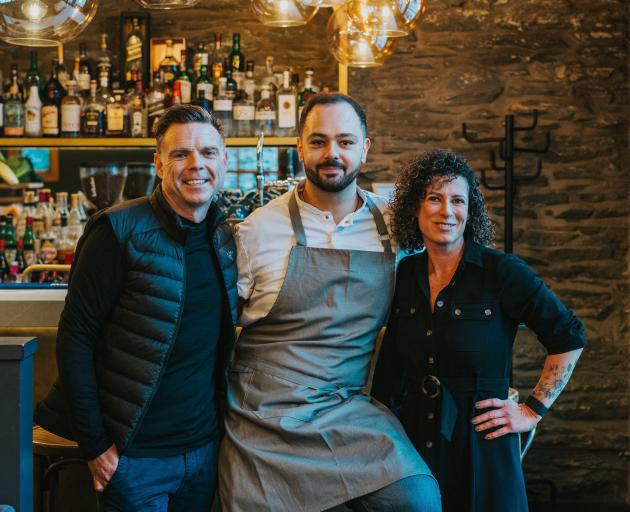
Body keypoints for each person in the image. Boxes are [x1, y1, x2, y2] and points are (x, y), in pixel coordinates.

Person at [218, 93, 441, 512]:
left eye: (344, 141)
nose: (331, 154)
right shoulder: (258, 230)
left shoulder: (397, 226)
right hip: (262, 414)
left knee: (417, 498)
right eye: (318, 141)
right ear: (299, 147)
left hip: (346, 406)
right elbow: (213, 327)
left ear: (365, 148)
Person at [35, 104, 238, 511]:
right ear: (159, 165)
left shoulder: (223, 234)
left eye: (208, 153)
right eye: (180, 154)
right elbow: (75, 340)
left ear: (224, 161)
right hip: (133, 456)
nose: (196, 164)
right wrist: (97, 446)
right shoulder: (117, 231)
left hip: (203, 451)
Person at [371, 149, 586, 511]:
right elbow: (391, 365)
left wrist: (531, 411)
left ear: (469, 211)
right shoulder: (404, 275)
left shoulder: (501, 271)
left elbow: (569, 335)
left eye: (458, 200)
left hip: (483, 442)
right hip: (412, 443)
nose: (447, 211)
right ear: (415, 208)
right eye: (434, 198)